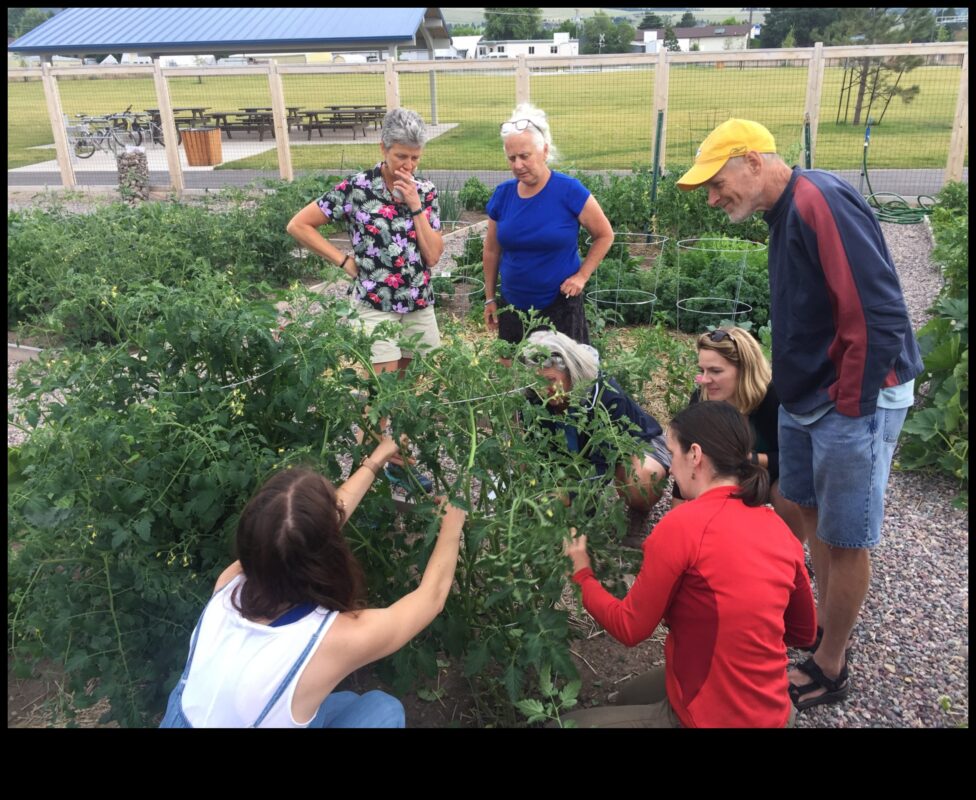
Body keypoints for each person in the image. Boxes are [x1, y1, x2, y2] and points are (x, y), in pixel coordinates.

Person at [676, 118, 923, 711]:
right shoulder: (784, 212)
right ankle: (817, 635)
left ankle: (831, 665)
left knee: (846, 538)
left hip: (851, 399)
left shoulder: (819, 201)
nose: (712, 197)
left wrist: (850, 410)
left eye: (716, 182)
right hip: (810, 397)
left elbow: (880, 314)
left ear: (753, 161)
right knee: (811, 518)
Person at [160, 435, 467, 728]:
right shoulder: (332, 641)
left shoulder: (234, 579)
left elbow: (301, 532)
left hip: (184, 719)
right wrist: (452, 525)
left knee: (340, 702)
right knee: (383, 710)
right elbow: (432, 597)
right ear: (328, 553)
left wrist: (377, 458)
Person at [561, 401, 817, 728]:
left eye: (671, 452)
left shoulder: (683, 525)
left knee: (562, 723)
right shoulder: (778, 527)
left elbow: (629, 627)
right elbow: (802, 631)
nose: (670, 467)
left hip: (710, 720)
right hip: (776, 711)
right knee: (628, 696)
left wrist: (582, 572)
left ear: (694, 455)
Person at [287, 107, 443, 491]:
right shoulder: (356, 188)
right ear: (384, 148)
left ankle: (393, 465)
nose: (408, 165)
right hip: (375, 306)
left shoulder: (425, 192)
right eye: (400, 156)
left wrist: (415, 206)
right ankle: (368, 477)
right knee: (381, 394)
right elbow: (299, 224)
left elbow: (435, 255)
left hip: (418, 304)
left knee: (407, 392)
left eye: (415, 158)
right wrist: (343, 260)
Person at [483, 103, 614, 351]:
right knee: (515, 373)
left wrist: (582, 276)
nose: (518, 165)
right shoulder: (503, 195)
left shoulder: (569, 191)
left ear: (544, 151)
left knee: (562, 378)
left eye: (525, 156)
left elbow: (604, 235)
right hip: (513, 305)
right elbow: (491, 250)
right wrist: (490, 298)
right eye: (512, 158)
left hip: (560, 306)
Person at [525, 330, 670, 547]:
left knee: (640, 479)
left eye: (551, 380)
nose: (543, 389)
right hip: (581, 454)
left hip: (633, 444)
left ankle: (638, 511)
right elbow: (537, 448)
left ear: (571, 372)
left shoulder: (604, 394)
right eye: (536, 380)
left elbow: (603, 460)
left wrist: (570, 495)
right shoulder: (535, 398)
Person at [672, 326, 805, 540]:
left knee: (789, 490)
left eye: (715, 371)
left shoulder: (773, 399)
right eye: (702, 370)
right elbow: (687, 459)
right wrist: (674, 527)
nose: (705, 380)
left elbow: (798, 459)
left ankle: (791, 551)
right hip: (723, 474)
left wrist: (750, 458)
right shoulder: (701, 399)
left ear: (744, 369)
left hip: (770, 474)